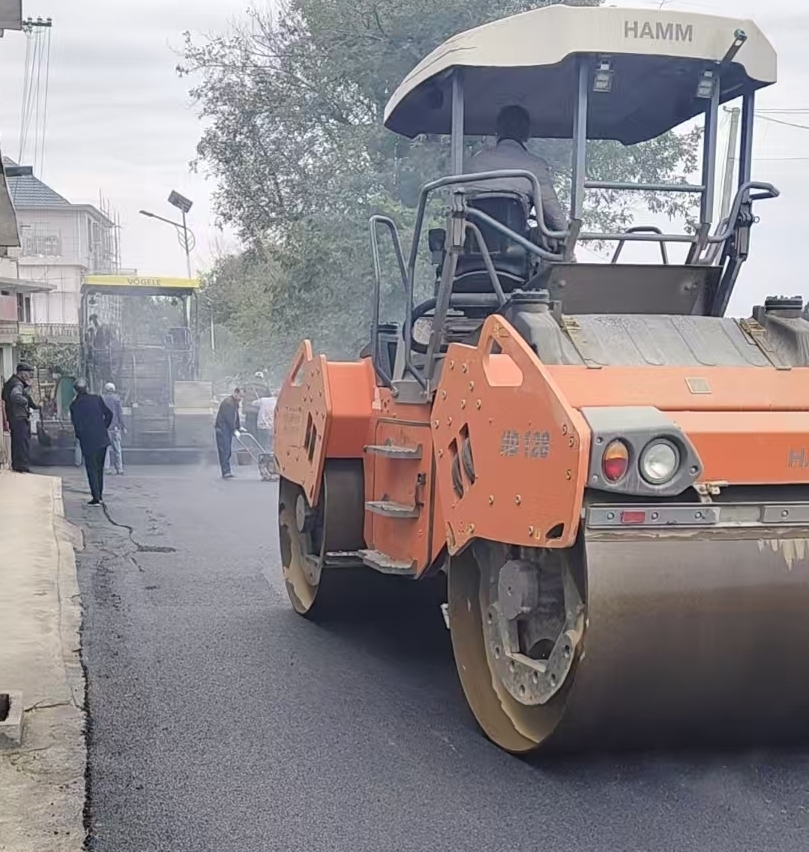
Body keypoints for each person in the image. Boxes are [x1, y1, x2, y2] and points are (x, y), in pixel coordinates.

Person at [466, 104, 567, 232]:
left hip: (473, 239)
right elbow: (553, 214)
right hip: (517, 241)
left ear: (498, 130)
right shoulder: (536, 165)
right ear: (527, 133)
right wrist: (566, 233)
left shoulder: (475, 162)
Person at [70, 378, 112, 505]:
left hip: (88, 441)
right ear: (87, 388)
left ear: (75, 391)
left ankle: (96, 496)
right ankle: (100, 494)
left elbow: (76, 424)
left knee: (91, 468)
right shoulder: (97, 399)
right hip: (102, 438)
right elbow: (109, 414)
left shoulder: (74, 405)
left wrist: (80, 436)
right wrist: (103, 427)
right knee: (99, 468)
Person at [1, 362, 40, 473]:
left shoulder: (12, 382)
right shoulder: (17, 384)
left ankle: (17, 465)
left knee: (17, 442)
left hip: (13, 417)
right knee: (22, 442)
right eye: (28, 373)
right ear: (21, 373)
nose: (29, 376)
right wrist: (25, 402)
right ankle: (22, 466)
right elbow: (16, 396)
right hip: (19, 417)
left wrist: (35, 405)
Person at [214, 387, 244, 479]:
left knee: (227, 450)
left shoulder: (235, 403)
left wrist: (238, 427)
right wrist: (234, 430)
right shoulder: (228, 403)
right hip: (222, 429)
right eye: (240, 396)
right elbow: (229, 419)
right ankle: (225, 471)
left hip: (227, 429)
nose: (241, 398)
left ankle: (227, 470)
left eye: (242, 397)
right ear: (235, 393)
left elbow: (236, 416)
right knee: (224, 450)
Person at [101, 381, 125, 475]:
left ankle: (106, 468)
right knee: (117, 449)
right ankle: (119, 469)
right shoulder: (117, 399)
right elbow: (120, 414)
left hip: (105, 428)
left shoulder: (102, 399)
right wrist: (123, 426)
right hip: (115, 428)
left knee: (106, 449)